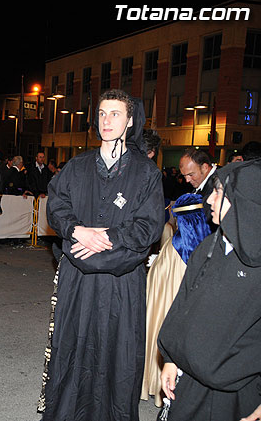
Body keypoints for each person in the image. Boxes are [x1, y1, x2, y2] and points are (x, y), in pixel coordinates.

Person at [38, 89, 164, 420]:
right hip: (77, 282)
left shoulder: (146, 172)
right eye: (102, 114)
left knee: (116, 357)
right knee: (73, 350)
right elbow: (57, 206)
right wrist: (77, 231)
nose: (107, 121)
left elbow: (148, 228)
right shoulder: (77, 166)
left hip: (120, 285)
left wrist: (105, 237)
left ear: (130, 120)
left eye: (115, 114)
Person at [158, 159, 261, 421]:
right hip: (192, 383)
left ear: (242, 202)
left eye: (218, 193)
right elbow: (182, 305)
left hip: (239, 394)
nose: (210, 201)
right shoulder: (209, 248)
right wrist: (172, 359)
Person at [140, 193, 211, 407]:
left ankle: (156, 381)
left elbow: (157, 282)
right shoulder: (209, 245)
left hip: (168, 310)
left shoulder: (176, 245)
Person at [179, 148, 217, 230]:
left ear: (204, 167)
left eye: (191, 174)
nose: (187, 180)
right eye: (184, 176)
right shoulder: (202, 184)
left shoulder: (218, 185)